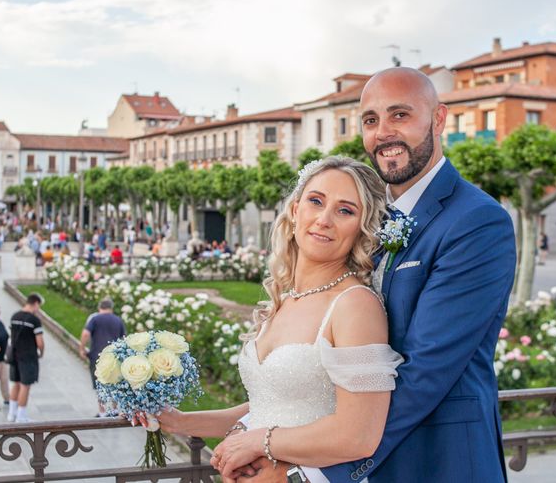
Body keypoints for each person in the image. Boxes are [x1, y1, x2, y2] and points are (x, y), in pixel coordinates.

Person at [206, 68, 516, 482]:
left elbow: (425, 371)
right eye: (371, 120)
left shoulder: (476, 221)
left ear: (438, 119)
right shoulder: (366, 216)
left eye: (400, 116)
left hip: (438, 460)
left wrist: (306, 468)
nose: (383, 132)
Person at [154, 156, 404, 483]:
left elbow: (359, 435)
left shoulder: (354, 305)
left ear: (362, 227)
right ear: (296, 209)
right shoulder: (284, 299)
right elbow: (272, 404)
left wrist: (261, 442)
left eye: (345, 211)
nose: (324, 219)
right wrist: (180, 422)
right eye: (316, 201)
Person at [79, 298, 126, 415]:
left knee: (99, 383)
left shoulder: (95, 319)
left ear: (99, 307)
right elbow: (124, 339)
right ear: (111, 308)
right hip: (115, 357)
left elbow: (85, 334)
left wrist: (82, 348)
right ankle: (114, 409)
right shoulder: (118, 320)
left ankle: (102, 411)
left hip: (97, 356)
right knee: (115, 382)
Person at [7, 293, 45, 423]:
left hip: (14, 355)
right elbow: (39, 342)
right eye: (38, 306)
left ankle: (11, 413)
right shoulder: (34, 320)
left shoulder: (14, 316)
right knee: (25, 386)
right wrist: (42, 352)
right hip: (28, 356)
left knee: (16, 384)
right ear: (35, 303)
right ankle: (21, 416)